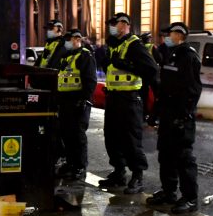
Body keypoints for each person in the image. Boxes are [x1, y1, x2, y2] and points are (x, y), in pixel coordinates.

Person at [97, 13, 159, 194]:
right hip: (114, 98)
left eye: (114, 24)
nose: (111, 27)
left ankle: (137, 176)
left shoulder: (134, 45)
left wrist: (124, 64)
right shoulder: (116, 46)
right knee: (112, 137)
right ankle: (119, 172)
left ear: (124, 25)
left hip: (129, 99)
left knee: (131, 139)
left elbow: (150, 69)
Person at [146, 23, 201, 213]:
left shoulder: (188, 56)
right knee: (166, 155)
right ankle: (169, 192)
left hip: (181, 117)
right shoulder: (171, 54)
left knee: (184, 158)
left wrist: (185, 115)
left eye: (169, 34)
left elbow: (193, 89)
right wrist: (154, 115)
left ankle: (190, 198)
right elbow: (164, 90)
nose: (165, 37)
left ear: (180, 35)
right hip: (168, 115)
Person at [50, 29, 96, 180]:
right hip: (65, 102)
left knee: (77, 136)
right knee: (66, 134)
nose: (67, 42)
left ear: (78, 39)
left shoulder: (85, 55)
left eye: (70, 39)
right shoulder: (66, 56)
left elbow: (90, 80)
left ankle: (80, 167)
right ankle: (70, 164)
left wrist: (84, 100)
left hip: (78, 102)